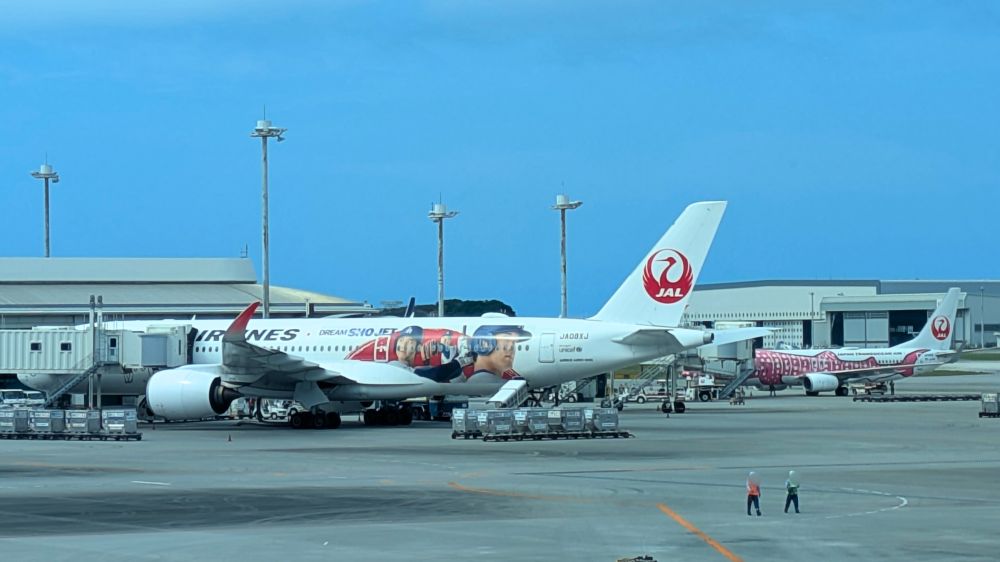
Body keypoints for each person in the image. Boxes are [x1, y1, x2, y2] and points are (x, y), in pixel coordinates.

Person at [468, 325, 532, 383]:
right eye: (506, 339)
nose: (511, 347)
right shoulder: (482, 382)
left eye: (514, 342)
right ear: (483, 343)